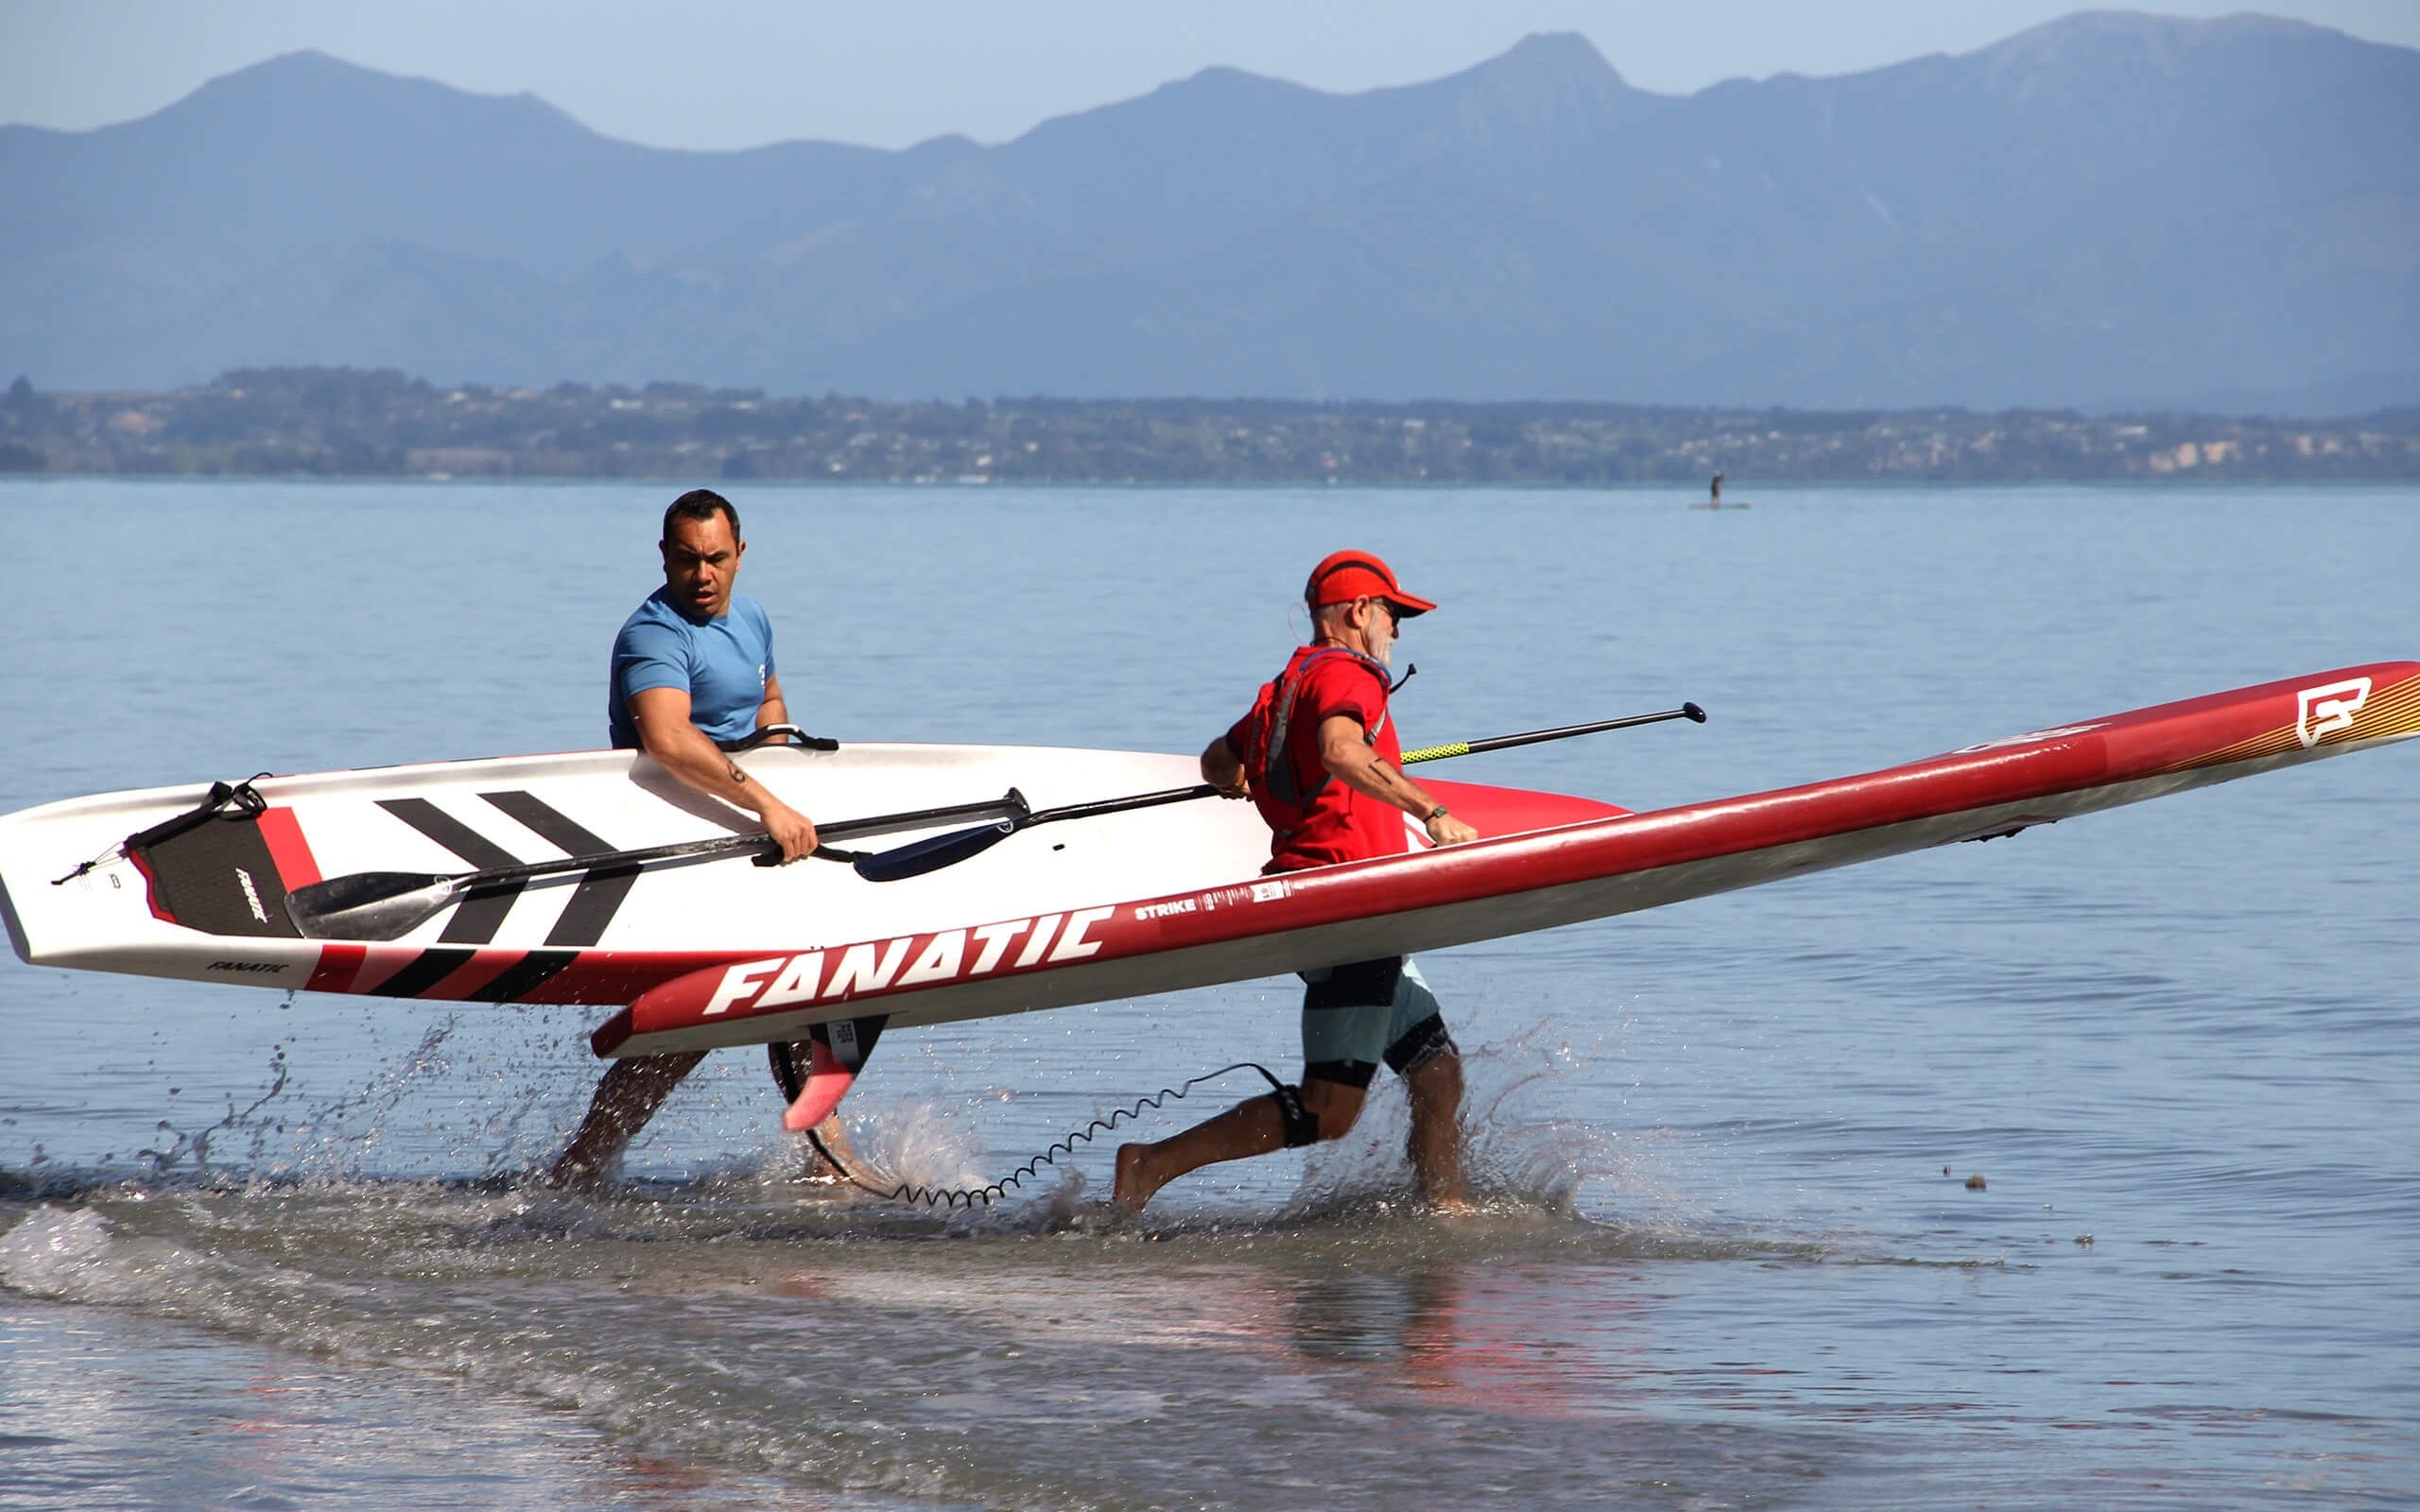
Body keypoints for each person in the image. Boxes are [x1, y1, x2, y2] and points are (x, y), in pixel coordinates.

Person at [1113, 551, 1481, 1213]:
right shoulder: (1352, 674)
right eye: (1395, 616)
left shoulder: (1287, 685)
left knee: (1437, 1074)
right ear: (1360, 612)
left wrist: (1250, 778)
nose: (1397, 631)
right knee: (1329, 1110)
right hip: (1344, 911)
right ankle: (1152, 1164)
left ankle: (1445, 1214)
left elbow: (1217, 763)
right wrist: (1435, 813)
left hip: (1352, 910)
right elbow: (1342, 751)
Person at [547, 489, 842, 1187]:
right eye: (686, 561)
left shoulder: (753, 619)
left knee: (807, 993)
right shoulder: (654, 634)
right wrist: (769, 804)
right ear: (664, 558)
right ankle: (580, 1169)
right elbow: (668, 739)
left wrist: (781, 756)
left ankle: (826, 1158)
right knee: (694, 1023)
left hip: (744, 843)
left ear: (741, 554)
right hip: (674, 848)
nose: (702, 575)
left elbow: (766, 701)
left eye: (715, 559)